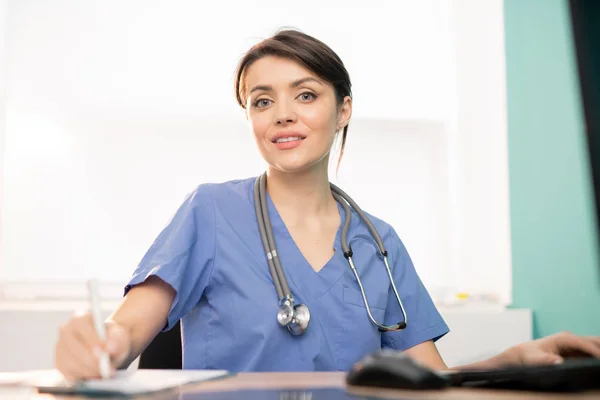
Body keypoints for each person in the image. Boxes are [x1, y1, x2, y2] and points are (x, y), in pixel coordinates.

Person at [54, 29, 600, 381]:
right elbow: (127, 332)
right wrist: (100, 344)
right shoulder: (210, 211)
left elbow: (428, 384)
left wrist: (514, 363)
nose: (282, 114)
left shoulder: (376, 242)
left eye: (306, 94)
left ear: (343, 111)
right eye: (262, 101)